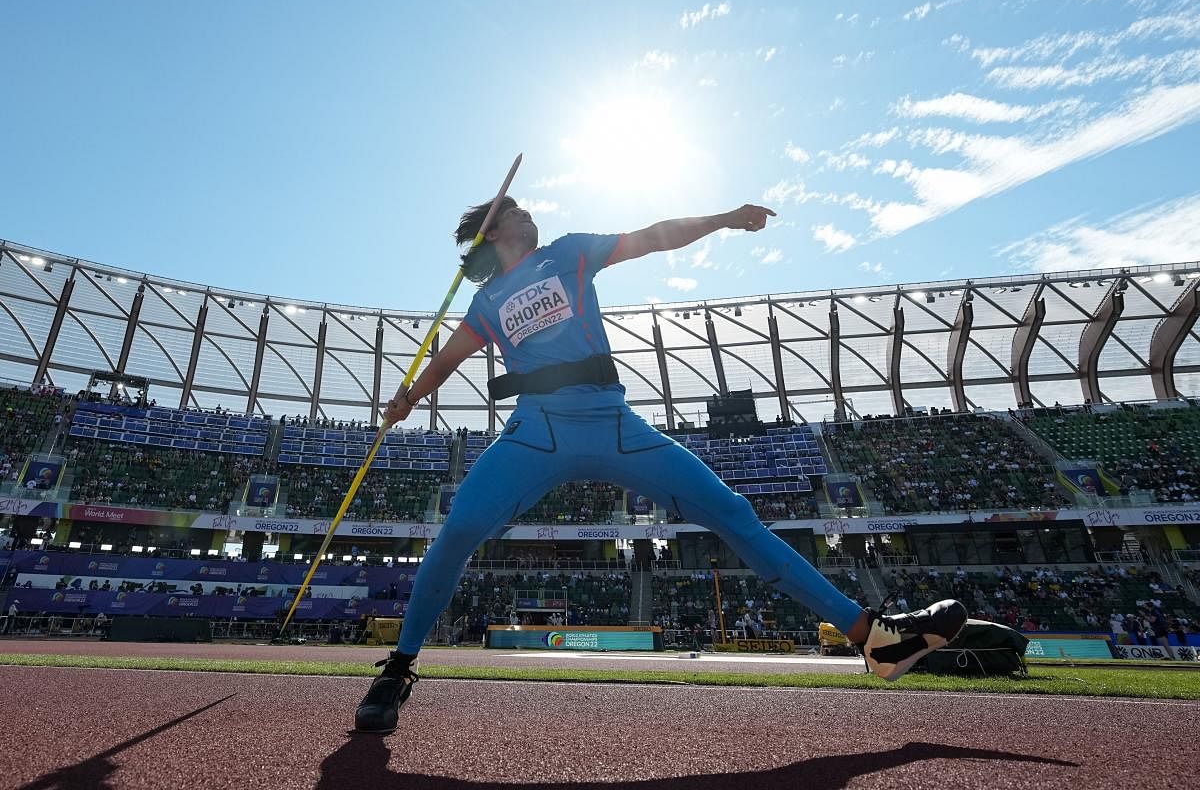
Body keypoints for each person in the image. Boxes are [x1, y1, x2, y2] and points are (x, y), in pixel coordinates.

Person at [354, 195, 967, 733]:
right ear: (493, 231)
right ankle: (398, 670)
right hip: (537, 429)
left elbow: (652, 236)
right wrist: (409, 397)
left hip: (613, 424)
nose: (530, 213)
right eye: (517, 211)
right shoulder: (487, 301)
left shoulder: (567, 253)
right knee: (460, 526)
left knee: (734, 514)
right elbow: (448, 358)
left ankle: (873, 639)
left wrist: (725, 219)